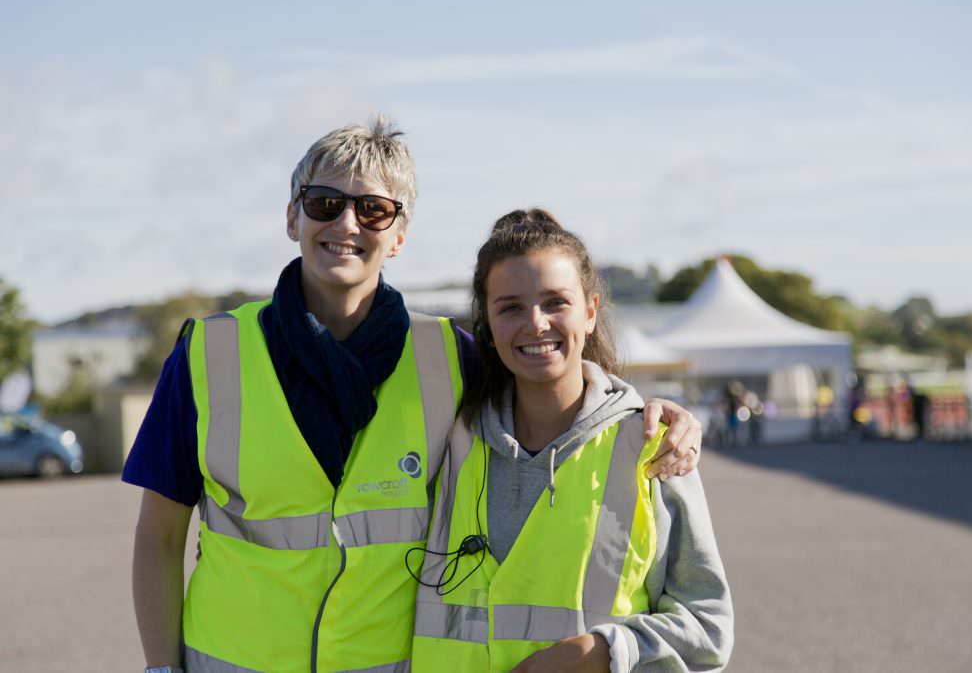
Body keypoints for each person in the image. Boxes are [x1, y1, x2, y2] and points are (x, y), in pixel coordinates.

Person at [124, 118, 705, 673]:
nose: (347, 225)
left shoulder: (451, 356)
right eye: (325, 203)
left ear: (399, 235)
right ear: (291, 217)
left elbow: (554, 376)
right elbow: (159, 536)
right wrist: (160, 667)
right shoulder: (207, 355)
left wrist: (651, 411)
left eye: (373, 209)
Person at [410, 210, 733, 672]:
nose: (535, 324)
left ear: (590, 311)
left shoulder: (652, 448)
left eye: (555, 302)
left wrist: (604, 652)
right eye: (510, 307)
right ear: (487, 321)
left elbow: (709, 631)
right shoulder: (447, 436)